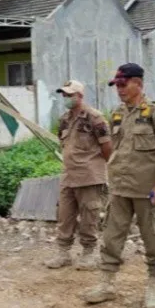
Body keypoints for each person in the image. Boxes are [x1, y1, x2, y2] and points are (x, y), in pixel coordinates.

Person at [81, 63, 155, 308]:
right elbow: (115, 149)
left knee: (153, 239)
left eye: (123, 84)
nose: (119, 90)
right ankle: (107, 284)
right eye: (116, 86)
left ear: (138, 83)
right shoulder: (117, 113)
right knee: (112, 238)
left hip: (147, 190)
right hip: (121, 188)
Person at [44, 80, 111, 270]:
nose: (66, 98)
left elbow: (107, 146)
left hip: (89, 176)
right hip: (69, 175)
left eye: (70, 95)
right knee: (65, 215)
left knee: (89, 215)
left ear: (80, 96)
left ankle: (89, 253)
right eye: (64, 95)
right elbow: (63, 143)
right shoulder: (64, 119)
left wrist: (98, 167)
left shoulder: (94, 118)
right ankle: (63, 253)